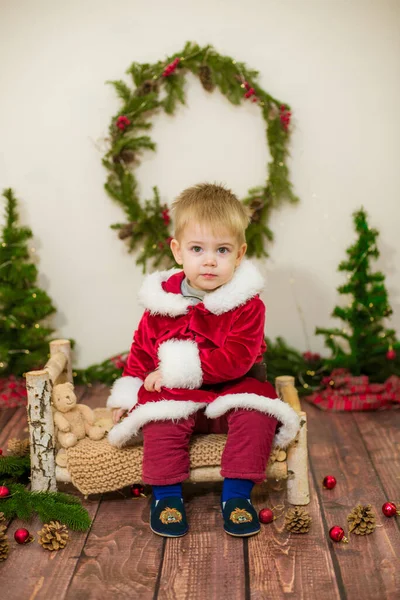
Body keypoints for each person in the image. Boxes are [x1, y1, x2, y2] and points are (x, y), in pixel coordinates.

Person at [107, 183, 299, 538]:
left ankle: (237, 495)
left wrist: (177, 370)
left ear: (239, 254)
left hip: (230, 391)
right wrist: (128, 395)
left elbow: (238, 358)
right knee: (160, 419)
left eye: (222, 250)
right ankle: (166, 497)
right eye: (197, 249)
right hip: (178, 399)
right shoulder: (162, 304)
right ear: (178, 251)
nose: (209, 260)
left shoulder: (247, 305)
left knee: (260, 414)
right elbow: (142, 350)